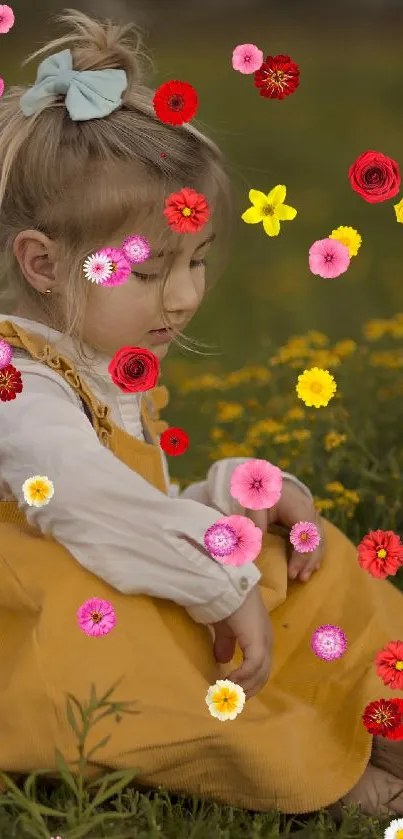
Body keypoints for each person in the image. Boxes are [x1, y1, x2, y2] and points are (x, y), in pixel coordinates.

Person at [0, 8, 402, 818]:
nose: (184, 297)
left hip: (102, 572)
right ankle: (304, 770)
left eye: (199, 261)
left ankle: (377, 708)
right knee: (119, 615)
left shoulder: (94, 368)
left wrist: (227, 504)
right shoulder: (17, 387)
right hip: (35, 648)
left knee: (298, 554)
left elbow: (134, 514)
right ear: (42, 263)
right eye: (149, 271)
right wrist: (215, 584)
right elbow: (85, 503)